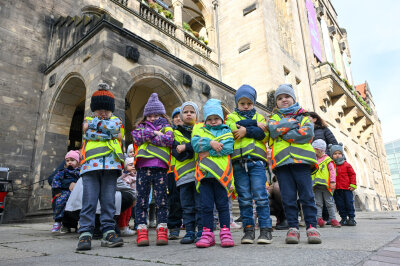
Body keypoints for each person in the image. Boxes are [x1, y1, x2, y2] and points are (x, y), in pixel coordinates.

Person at [267, 84, 321, 244]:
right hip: (283, 164)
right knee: (288, 197)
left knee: (307, 196)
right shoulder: (274, 117)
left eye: (287, 97)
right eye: (280, 98)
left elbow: (307, 133)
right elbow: (273, 130)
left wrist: (283, 132)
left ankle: (312, 227)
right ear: (276, 103)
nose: (284, 100)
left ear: (293, 98)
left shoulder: (304, 116)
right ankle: (293, 228)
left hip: (302, 162)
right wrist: (292, 125)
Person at [77, 83, 124, 250]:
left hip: (111, 167)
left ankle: (108, 231)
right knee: (89, 201)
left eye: (106, 109)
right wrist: (108, 133)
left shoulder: (116, 120)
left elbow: (115, 129)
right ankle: (85, 233)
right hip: (90, 167)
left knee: (108, 201)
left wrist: (96, 127)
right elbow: (87, 133)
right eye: (98, 109)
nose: (102, 112)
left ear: (111, 109)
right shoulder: (87, 119)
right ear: (93, 109)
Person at [225, 84, 273, 244]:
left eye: (249, 104)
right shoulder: (231, 116)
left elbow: (263, 135)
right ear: (237, 103)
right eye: (242, 104)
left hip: (257, 162)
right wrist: (253, 125)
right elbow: (232, 129)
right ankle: (248, 231)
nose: (246, 107)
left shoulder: (260, 117)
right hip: (238, 164)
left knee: (260, 196)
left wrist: (245, 130)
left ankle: (266, 230)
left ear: (253, 103)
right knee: (244, 198)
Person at [132, 93, 174, 246]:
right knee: (141, 200)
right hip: (143, 168)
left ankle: (162, 229)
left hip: (160, 168)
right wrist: (154, 134)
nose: (152, 118)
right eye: (149, 115)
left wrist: (149, 137)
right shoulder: (140, 127)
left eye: (156, 115)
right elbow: (137, 137)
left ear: (161, 114)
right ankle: (141, 230)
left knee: (161, 200)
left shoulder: (168, 127)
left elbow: (168, 140)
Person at [192, 99, 235, 248]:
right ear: (206, 120)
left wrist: (208, 151)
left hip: (221, 176)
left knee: (223, 205)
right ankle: (207, 233)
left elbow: (228, 147)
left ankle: (225, 232)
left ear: (221, 119)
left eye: (216, 118)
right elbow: (196, 145)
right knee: (206, 206)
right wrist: (213, 144)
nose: (213, 121)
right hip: (204, 176)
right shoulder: (199, 129)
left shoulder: (227, 130)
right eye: (209, 119)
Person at [172, 102, 203, 244]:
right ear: (181, 115)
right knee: (187, 206)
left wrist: (186, 147)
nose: (189, 114)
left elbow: (202, 146)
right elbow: (178, 154)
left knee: (200, 205)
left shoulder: (202, 130)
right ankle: (190, 231)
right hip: (184, 177)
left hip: (200, 176)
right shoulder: (175, 133)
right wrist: (193, 148)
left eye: (192, 111)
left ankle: (201, 231)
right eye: (185, 112)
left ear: (197, 116)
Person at [309, 111, 338, 224]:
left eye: (309, 118)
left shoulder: (323, 129)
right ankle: (321, 218)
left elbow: (333, 143)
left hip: (324, 161)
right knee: (318, 200)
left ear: (315, 119)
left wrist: (333, 159)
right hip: (313, 161)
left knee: (328, 200)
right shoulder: (305, 129)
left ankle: (331, 218)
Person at [311, 139, 341, 228]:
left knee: (329, 203)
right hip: (316, 185)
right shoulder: (314, 160)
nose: (313, 152)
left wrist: (332, 182)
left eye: (314, 150)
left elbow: (332, 171)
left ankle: (333, 219)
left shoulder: (328, 160)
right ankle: (319, 219)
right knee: (318, 203)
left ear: (319, 150)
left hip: (326, 186)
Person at [51, 150, 80, 234]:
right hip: (65, 192)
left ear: (78, 162)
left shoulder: (81, 171)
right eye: (67, 161)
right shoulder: (63, 171)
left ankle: (79, 225)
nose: (70, 162)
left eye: (72, 160)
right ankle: (58, 221)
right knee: (60, 202)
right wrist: (57, 189)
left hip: (77, 193)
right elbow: (55, 179)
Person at [329, 143, 357, 226]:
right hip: (337, 189)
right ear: (332, 155)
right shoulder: (331, 165)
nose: (337, 155)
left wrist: (353, 184)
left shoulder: (346, 164)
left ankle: (351, 218)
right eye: (335, 154)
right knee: (339, 204)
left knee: (349, 203)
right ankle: (343, 218)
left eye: (339, 153)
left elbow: (352, 174)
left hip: (347, 188)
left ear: (342, 154)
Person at [168, 107, 183, 240]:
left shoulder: (192, 131)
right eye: (175, 116)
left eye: (180, 115)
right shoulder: (169, 132)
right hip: (172, 169)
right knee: (174, 199)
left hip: (188, 169)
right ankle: (174, 227)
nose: (178, 118)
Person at [117, 157, 137, 236]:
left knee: (129, 214)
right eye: (130, 165)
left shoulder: (137, 175)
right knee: (124, 213)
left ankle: (125, 226)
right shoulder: (125, 176)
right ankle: (122, 227)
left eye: (134, 164)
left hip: (134, 198)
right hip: (128, 197)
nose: (133, 166)